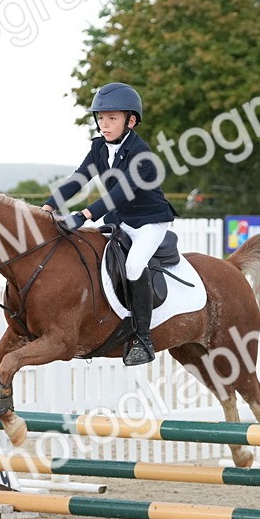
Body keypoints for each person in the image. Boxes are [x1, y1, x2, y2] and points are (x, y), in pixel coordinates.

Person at [42, 82, 178, 365]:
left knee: (134, 265)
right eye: (101, 118)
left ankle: (143, 338)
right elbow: (79, 179)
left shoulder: (142, 156)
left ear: (131, 121)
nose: (104, 124)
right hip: (122, 220)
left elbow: (118, 194)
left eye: (112, 118)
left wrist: (84, 215)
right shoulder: (98, 148)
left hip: (149, 222)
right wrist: (47, 207)